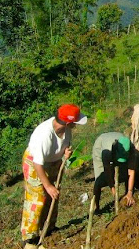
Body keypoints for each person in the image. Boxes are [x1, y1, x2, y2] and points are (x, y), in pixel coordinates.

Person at [21, 104, 87, 249]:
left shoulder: (66, 130)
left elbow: (63, 145)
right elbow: (38, 164)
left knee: (54, 195)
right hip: (35, 164)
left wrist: (65, 153)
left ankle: (49, 228)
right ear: (69, 122)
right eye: (75, 122)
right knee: (37, 198)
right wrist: (47, 185)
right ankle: (30, 239)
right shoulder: (44, 134)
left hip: (54, 162)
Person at [92, 132, 136, 211]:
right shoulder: (106, 152)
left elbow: (131, 171)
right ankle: (96, 207)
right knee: (99, 180)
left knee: (124, 173)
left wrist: (130, 192)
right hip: (100, 146)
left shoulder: (131, 148)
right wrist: (114, 191)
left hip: (117, 149)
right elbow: (107, 172)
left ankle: (127, 193)